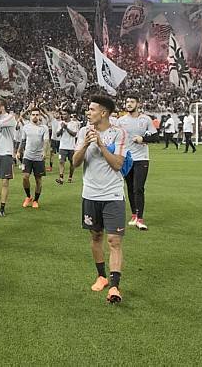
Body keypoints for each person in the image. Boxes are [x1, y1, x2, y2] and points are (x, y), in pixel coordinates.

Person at [73, 95, 128, 304]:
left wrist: (101, 145)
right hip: (90, 194)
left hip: (113, 194)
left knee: (114, 240)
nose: (88, 112)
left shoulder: (118, 133)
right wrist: (85, 145)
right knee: (96, 236)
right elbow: (75, 163)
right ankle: (101, 276)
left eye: (92, 109)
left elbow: (117, 164)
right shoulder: (83, 132)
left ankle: (114, 286)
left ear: (103, 113)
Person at [118, 95, 154, 231]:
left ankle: (140, 219)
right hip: (127, 158)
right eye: (127, 101)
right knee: (130, 187)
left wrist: (143, 139)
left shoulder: (145, 119)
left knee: (138, 188)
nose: (129, 104)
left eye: (132, 102)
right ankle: (134, 215)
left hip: (142, 158)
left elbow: (155, 137)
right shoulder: (121, 121)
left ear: (138, 104)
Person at [18, 109, 50, 208]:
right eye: (33, 114)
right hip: (27, 156)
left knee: (38, 180)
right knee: (25, 177)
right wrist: (19, 151)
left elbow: (46, 141)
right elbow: (23, 140)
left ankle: (36, 200)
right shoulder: (26, 127)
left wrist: (44, 151)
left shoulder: (44, 128)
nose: (35, 116)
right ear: (30, 116)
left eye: (37, 114)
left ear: (40, 116)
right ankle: (28, 197)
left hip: (38, 157)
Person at [55, 110, 79, 184]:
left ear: (69, 115)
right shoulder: (60, 123)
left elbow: (74, 134)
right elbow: (57, 134)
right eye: (62, 114)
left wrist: (66, 128)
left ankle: (70, 177)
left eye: (65, 114)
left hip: (71, 146)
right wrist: (62, 128)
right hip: (62, 146)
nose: (63, 116)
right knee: (61, 161)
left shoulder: (74, 123)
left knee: (72, 163)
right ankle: (61, 178)